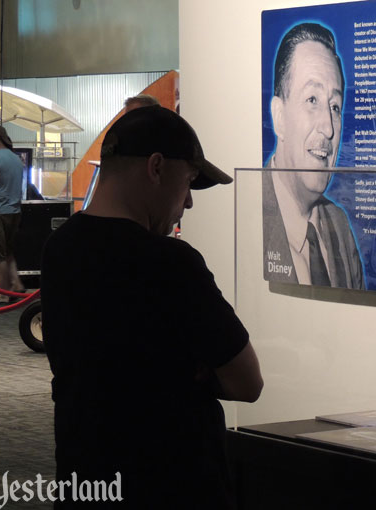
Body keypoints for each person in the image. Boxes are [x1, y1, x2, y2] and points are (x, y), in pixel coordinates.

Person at [41, 106, 263, 509]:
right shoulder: (171, 263)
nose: (190, 202)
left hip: (86, 477)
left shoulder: (60, 249)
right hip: (171, 483)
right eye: (190, 181)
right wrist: (196, 371)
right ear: (157, 167)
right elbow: (247, 382)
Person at [264, 22, 364, 289]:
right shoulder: (247, 215)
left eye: (335, 106)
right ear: (280, 117)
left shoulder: (340, 227)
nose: (329, 128)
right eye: (312, 100)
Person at [0, 124, 25, 303]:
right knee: (8, 251)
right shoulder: (16, 159)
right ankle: (16, 286)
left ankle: (3, 293)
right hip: (14, 212)